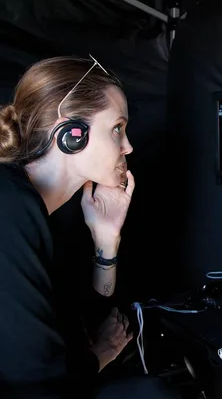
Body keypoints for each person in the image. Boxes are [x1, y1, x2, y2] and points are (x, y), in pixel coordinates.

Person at [0, 55, 135, 398]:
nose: (128, 146)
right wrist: (100, 355)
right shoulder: (11, 209)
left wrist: (106, 239)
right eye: (117, 128)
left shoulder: (41, 209)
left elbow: (86, 318)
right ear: (71, 134)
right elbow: (35, 379)